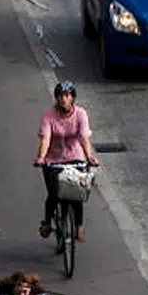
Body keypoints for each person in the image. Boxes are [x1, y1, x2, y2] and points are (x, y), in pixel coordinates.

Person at [35, 80, 98, 241]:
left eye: (67, 95)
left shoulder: (80, 114)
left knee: (77, 191)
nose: (64, 99)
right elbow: (46, 139)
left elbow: (84, 138)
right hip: (53, 160)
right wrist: (41, 158)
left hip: (75, 158)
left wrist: (89, 157)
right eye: (61, 96)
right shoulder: (49, 116)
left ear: (72, 98)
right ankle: (47, 222)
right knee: (54, 194)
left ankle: (79, 226)